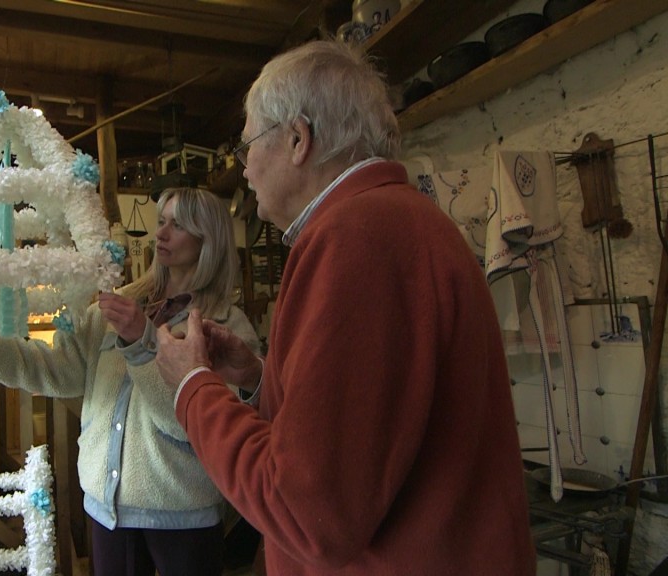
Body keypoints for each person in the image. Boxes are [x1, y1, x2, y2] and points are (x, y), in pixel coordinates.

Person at [153, 40, 537, 575]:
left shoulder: (358, 237)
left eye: (247, 149)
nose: (244, 171)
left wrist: (192, 385)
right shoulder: (390, 221)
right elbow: (367, 425)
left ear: (296, 140)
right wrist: (262, 379)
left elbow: (307, 512)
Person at [0, 187, 261, 576]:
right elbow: (53, 368)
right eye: (160, 222)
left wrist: (141, 343)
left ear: (208, 239)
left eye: (178, 225)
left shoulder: (226, 326)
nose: (160, 233)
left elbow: (201, 426)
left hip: (185, 517)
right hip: (105, 511)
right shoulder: (114, 307)